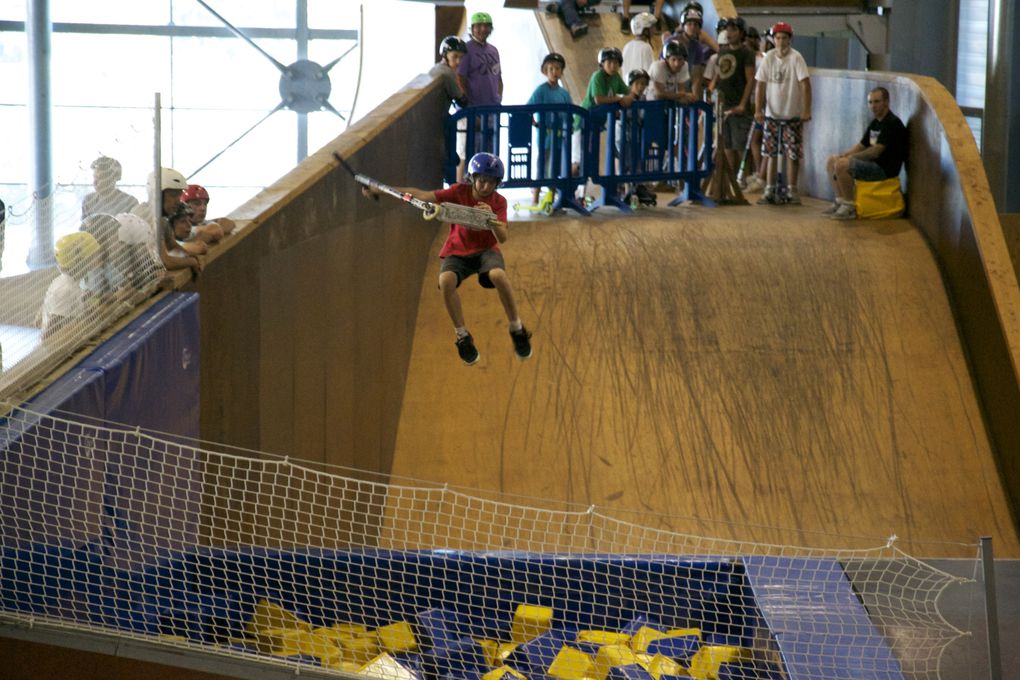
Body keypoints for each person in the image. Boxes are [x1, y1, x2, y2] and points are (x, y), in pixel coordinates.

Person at [361, 153, 531, 366]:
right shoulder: (458, 192)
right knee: (445, 281)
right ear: (472, 177)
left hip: (486, 250)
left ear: (497, 183)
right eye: (481, 180)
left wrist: (492, 219)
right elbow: (422, 195)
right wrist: (380, 189)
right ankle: (462, 336)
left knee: (498, 274)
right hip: (458, 249)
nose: (485, 186)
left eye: (491, 182)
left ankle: (516, 328)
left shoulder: (498, 202)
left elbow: (503, 238)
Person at [824, 86, 907, 220]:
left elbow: (875, 152)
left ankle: (849, 206)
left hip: (884, 170)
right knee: (832, 161)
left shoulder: (892, 123)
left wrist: (849, 159)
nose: (873, 106)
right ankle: (840, 201)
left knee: (842, 165)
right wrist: (844, 155)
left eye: (877, 102)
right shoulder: (875, 123)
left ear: (886, 102)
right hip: (872, 165)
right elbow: (862, 145)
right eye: (870, 102)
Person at [754, 21, 811, 206]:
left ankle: (792, 190)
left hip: (791, 114)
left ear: (790, 40)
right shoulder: (768, 58)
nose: (780, 42)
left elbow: (805, 84)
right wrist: (758, 109)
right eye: (777, 38)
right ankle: (769, 189)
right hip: (772, 113)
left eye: (784, 38)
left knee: (792, 153)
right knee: (770, 152)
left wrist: (806, 109)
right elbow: (760, 85)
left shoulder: (796, 58)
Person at [133, 167, 202, 276]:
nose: (178, 201)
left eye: (179, 196)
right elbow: (165, 261)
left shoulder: (161, 219)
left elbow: (173, 246)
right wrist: (191, 261)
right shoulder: (147, 216)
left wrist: (189, 255)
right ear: (157, 194)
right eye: (173, 196)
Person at [527, 52, 574, 206]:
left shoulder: (564, 94)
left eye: (558, 69)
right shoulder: (540, 91)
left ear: (561, 71)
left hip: (560, 139)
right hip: (545, 139)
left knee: (555, 169)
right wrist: (534, 123)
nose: (554, 72)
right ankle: (535, 198)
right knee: (542, 167)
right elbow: (527, 109)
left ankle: (552, 199)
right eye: (551, 68)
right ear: (546, 71)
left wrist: (570, 128)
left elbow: (570, 115)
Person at [712, 17, 755, 178]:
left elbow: (750, 79)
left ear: (741, 33)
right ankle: (730, 177)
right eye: (728, 30)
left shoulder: (746, 53)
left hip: (738, 104)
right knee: (727, 145)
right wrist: (712, 95)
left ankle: (746, 177)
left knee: (740, 145)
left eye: (734, 30)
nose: (729, 33)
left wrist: (743, 103)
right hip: (723, 103)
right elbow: (718, 75)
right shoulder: (722, 52)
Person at [38, 232, 100, 340]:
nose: (97, 260)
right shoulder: (65, 290)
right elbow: (49, 332)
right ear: (80, 261)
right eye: (93, 257)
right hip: (60, 347)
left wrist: (82, 300)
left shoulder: (69, 282)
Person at [664, 3, 717, 100]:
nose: (692, 27)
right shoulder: (671, 42)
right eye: (689, 24)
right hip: (668, 85)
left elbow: (696, 76)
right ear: (683, 26)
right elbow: (663, 69)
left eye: (696, 25)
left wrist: (695, 96)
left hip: (684, 83)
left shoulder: (697, 47)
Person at [430, 35, 468, 109]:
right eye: (455, 56)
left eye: (461, 57)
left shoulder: (436, 68)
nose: (458, 62)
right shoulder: (448, 73)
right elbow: (463, 102)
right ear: (445, 54)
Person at [622, 12, 658, 78]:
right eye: (652, 27)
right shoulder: (646, 47)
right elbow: (649, 72)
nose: (655, 29)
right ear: (645, 30)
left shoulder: (627, 45)